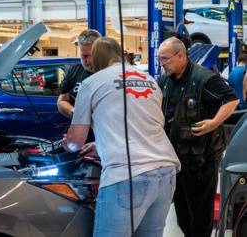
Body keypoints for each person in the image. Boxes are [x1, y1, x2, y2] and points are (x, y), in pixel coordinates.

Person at [62, 36, 181, 237]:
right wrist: (100, 145)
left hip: (128, 176)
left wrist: (67, 143)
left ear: (97, 58)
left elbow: (76, 142)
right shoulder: (149, 80)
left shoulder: (91, 83)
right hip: (165, 173)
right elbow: (142, 126)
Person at [158, 37, 239, 237]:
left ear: (180, 55)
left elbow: (232, 99)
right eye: (159, 59)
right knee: (183, 218)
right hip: (176, 160)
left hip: (201, 160)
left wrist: (214, 122)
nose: (162, 63)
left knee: (200, 220)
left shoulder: (204, 78)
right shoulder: (166, 79)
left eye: (165, 59)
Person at [57, 29, 101, 147]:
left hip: (104, 138)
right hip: (81, 138)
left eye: (93, 55)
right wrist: (74, 112)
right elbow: (62, 101)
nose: (89, 61)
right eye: (84, 56)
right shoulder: (75, 71)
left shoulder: (109, 72)